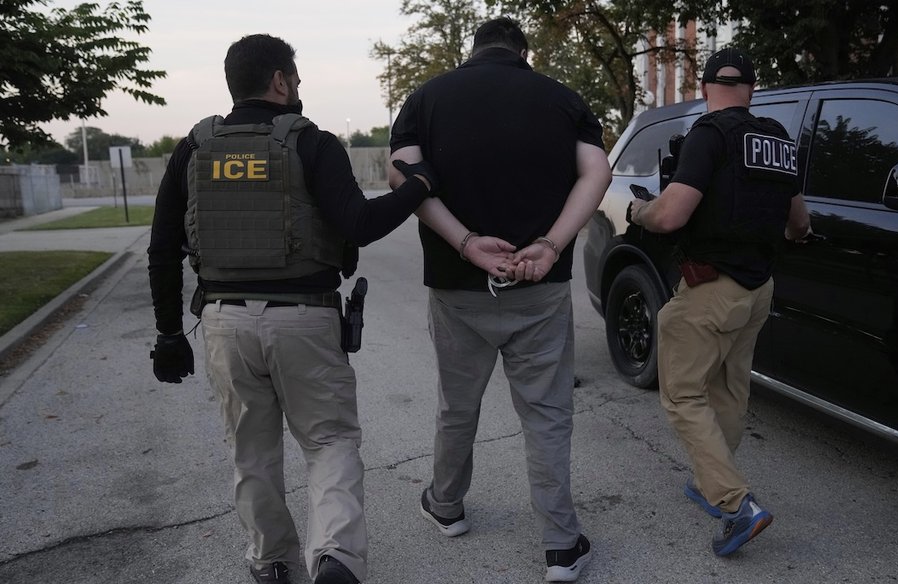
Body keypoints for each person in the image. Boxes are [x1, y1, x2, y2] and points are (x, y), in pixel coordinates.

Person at [147, 34, 437, 584]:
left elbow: (162, 248)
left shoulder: (193, 148)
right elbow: (359, 224)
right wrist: (418, 186)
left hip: (224, 322)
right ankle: (335, 558)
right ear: (280, 81)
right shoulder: (313, 143)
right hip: (305, 316)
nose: (299, 87)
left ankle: (273, 563)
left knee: (251, 452)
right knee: (330, 442)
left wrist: (169, 333)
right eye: (296, 78)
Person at [387, 17, 611, 583]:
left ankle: (446, 505)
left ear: (472, 50)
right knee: (547, 416)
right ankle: (561, 546)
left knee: (457, 407)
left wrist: (465, 243)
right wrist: (550, 244)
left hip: (457, 289)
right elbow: (597, 173)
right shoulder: (564, 100)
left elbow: (401, 177)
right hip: (540, 287)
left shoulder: (426, 99)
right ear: (523, 52)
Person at [626, 47, 811, 556]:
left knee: (683, 394)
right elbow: (799, 224)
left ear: (706, 88)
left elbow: (671, 216)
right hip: (758, 289)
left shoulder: (708, 135)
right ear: (751, 90)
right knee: (729, 389)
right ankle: (711, 481)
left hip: (711, 288)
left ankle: (735, 505)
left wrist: (640, 210)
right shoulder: (777, 138)